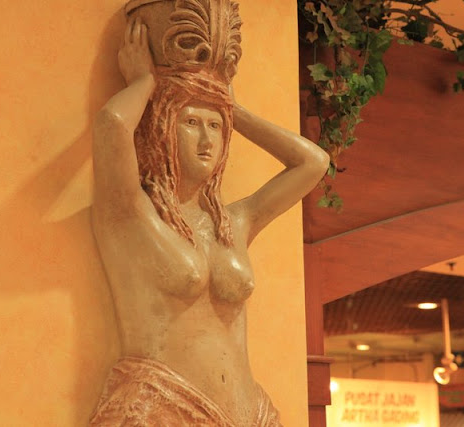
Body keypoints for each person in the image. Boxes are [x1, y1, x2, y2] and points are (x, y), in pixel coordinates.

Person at [90, 16, 329, 426]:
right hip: (163, 406)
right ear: (164, 129)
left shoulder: (235, 222)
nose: (207, 140)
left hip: (248, 412)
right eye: (191, 123)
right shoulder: (132, 212)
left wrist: (234, 110)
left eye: (216, 127)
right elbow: (112, 125)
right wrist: (143, 83)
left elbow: (313, 162)